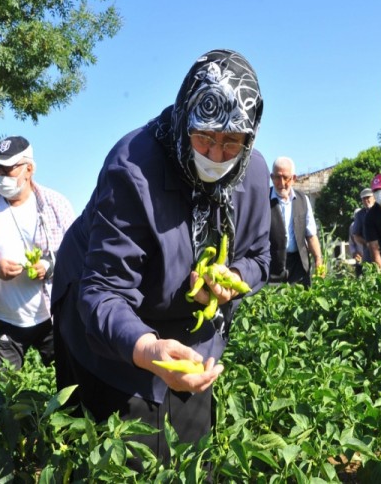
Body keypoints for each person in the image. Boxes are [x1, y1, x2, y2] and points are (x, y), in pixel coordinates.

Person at [51, 49, 270, 465]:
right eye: (204, 136)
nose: (216, 155)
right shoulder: (133, 168)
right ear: (186, 115)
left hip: (186, 328)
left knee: (187, 451)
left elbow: (259, 256)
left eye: (231, 142)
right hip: (103, 321)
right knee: (121, 448)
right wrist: (147, 348)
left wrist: (230, 280)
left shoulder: (252, 174)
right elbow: (104, 292)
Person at [0, 136, 75, 368]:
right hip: (4, 321)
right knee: (5, 397)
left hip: (52, 317)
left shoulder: (55, 204)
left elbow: (77, 253)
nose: (2, 176)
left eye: (9, 169)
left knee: (68, 388)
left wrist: (49, 265)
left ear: (29, 169)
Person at [268, 156, 324, 286]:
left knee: (300, 302)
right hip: (272, 266)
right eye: (277, 177)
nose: (281, 183)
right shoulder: (263, 199)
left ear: (293, 178)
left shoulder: (303, 200)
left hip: (298, 266)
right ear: (272, 177)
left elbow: (311, 235)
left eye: (285, 178)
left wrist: (318, 260)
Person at [352, 187, 375, 263]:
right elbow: (356, 236)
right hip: (369, 255)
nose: (366, 200)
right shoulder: (360, 215)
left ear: (374, 197)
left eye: (368, 197)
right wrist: (368, 243)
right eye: (363, 199)